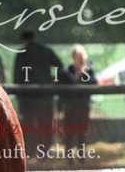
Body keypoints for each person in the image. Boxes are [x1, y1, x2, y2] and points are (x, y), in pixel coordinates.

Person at [13, 30, 64, 159]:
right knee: (45, 125)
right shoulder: (46, 50)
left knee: (28, 126)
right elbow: (60, 67)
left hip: (27, 97)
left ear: (23, 40)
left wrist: (18, 94)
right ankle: (44, 152)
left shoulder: (22, 53)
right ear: (34, 37)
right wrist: (52, 81)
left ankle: (29, 152)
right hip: (45, 96)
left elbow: (17, 75)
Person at [60, 45, 97, 163]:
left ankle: (82, 157)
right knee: (69, 133)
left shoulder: (89, 70)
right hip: (70, 107)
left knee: (81, 133)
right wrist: (60, 107)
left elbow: (94, 82)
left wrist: (83, 75)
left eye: (81, 57)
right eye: (77, 56)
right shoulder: (67, 71)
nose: (79, 59)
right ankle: (69, 158)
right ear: (73, 57)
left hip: (83, 106)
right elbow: (62, 88)